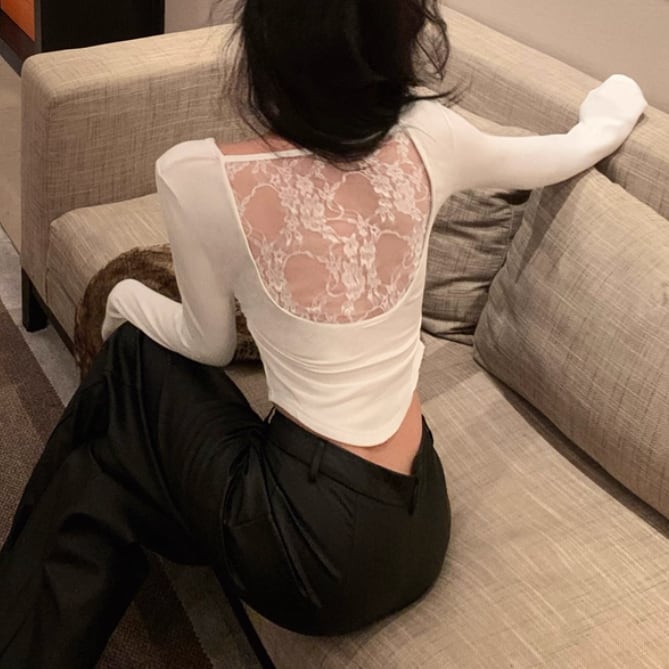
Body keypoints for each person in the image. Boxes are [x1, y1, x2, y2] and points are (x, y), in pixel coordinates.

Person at [0, 0, 646, 667]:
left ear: (262, 54)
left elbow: (207, 343)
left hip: (310, 558)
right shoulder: (431, 134)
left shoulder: (197, 173)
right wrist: (617, 104)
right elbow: (562, 152)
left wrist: (121, 300)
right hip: (421, 520)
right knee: (107, 453)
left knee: (130, 364)